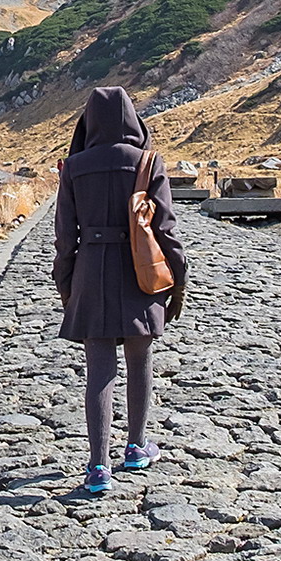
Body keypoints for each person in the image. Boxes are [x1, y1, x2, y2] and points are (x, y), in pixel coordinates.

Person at [52, 86, 186, 495]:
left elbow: (63, 239)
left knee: (99, 372)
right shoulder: (148, 162)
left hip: (91, 273)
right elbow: (165, 230)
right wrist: (177, 281)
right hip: (139, 273)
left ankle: (97, 467)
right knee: (140, 359)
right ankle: (137, 447)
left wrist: (67, 286)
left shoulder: (74, 168)